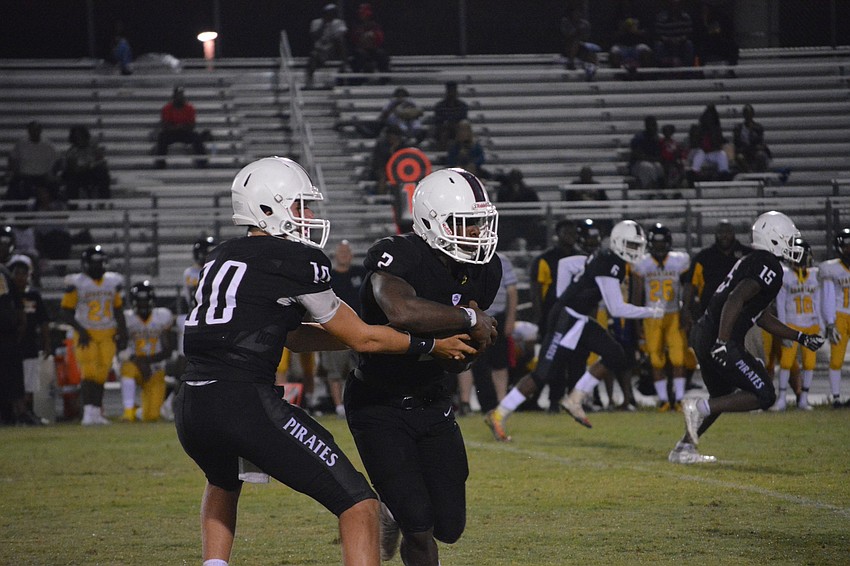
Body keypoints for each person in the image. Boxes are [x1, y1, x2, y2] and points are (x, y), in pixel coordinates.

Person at [174, 157, 476, 566]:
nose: (309, 215)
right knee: (360, 504)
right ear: (268, 207)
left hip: (191, 405)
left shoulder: (220, 256)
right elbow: (363, 338)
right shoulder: (296, 260)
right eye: (300, 206)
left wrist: (369, 335)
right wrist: (429, 346)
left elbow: (295, 337)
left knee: (223, 481)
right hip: (243, 402)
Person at [345, 167, 500, 565]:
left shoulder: (486, 268)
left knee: (449, 526)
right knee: (419, 525)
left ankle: (392, 508)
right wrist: (468, 321)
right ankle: (400, 510)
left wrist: (471, 348)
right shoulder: (399, 254)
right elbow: (401, 311)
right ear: (431, 222)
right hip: (378, 403)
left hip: (433, 402)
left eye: (481, 223)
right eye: (465, 224)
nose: (476, 234)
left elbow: (460, 362)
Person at [668, 211, 825, 464]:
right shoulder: (769, 265)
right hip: (718, 336)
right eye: (787, 237)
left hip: (705, 331)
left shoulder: (755, 261)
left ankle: (683, 448)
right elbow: (736, 298)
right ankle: (697, 408)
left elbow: (759, 315)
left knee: (722, 396)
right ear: (773, 238)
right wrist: (722, 342)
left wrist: (800, 337)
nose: (792, 243)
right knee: (765, 395)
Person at [485, 220, 664, 440]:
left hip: (577, 318)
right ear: (619, 242)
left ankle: (575, 398)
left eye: (638, 245)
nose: (636, 250)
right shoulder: (611, 263)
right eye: (632, 245)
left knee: (615, 354)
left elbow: (567, 265)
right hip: (566, 319)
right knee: (542, 374)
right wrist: (651, 311)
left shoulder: (606, 257)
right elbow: (616, 308)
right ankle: (498, 414)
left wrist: (565, 295)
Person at [59, 245, 128, 425]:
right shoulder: (76, 282)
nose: (98, 267)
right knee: (88, 373)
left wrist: (123, 332)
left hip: (108, 332)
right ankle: (88, 412)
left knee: (101, 374)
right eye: (95, 263)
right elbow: (66, 311)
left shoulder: (112, 281)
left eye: (101, 263)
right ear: (85, 264)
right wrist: (80, 330)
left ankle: (97, 412)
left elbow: (118, 309)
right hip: (86, 332)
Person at [632, 223, 691, 411]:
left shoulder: (679, 260)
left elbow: (687, 288)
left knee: (678, 359)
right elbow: (637, 293)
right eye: (655, 243)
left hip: (674, 313)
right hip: (651, 315)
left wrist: (686, 311)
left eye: (661, 243)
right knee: (656, 360)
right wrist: (636, 319)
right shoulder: (642, 263)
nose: (658, 247)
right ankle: (665, 400)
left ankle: (679, 399)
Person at [467, 252, 518, 414]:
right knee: (474, 363)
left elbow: (511, 291)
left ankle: (502, 404)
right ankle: (477, 404)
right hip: (473, 316)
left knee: (499, 362)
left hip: (497, 316)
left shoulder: (502, 259)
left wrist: (510, 319)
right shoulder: (464, 257)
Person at [773, 238, 821, 411]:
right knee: (786, 363)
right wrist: (784, 328)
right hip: (792, 325)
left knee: (809, 364)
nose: (799, 259)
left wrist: (821, 324)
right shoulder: (785, 274)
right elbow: (781, 303)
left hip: (811, 325)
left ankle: (803, 399)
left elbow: (818, 300)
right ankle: (782, 399)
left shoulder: (815, 275)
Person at [321, 240, 367, 418]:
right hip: (336, 329)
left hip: (360, 328)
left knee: (358, 370)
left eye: (347, 252)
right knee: (335, 370)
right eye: (341, 252)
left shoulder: (360, 273)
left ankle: (356, 402)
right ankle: (339, 406)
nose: (344, 255)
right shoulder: (329, 277)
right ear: (335, 255)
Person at [681, 219, 752, 333]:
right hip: (710, 313)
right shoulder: (703, 257)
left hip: (742, 313)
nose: (724, 236)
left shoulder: (748, 255)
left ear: (733, 233)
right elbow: (690, 284)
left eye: (728, 232)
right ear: (715, 234)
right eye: (721, 232)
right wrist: (685, 308)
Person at [118, 281, 174, 422]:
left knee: (151, 416)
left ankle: (138, 411)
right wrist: (139, 362)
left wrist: (145, 362)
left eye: (145, 301)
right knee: (127, 369)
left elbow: (168, 350)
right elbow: (120, 346)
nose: (143, 305)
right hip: (134, 363)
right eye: (140, 302)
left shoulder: (162, 316)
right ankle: (128, 412)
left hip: (155, 367)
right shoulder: (127, 318)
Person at [7, 254, 50, 425]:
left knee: (30, 383)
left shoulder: (33, 295)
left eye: (23, 273)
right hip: (11, 345)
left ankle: (27, 413)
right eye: (16, 273)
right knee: (12, 382)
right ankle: (14, 415)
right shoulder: (6, 296)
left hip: (29, 345)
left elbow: (43, 321)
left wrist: (46, 343)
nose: (19, 277)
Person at [818, 227, 850, 407]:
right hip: (840, 315)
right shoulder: (831, 268)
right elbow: (828, 296)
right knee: (836, 359)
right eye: (846, 246)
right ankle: (836, 398)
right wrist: (830, 323)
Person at [0, 227, 26, 426]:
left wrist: (20, 323)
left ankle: (16, 415)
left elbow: (16, 303)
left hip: (7, 333)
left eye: (6, 245)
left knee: (12, 377)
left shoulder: (4, 272)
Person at [6, 121, 61, 202]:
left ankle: (52, 207)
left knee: (54, 184)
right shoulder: (21, 143)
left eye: (36, 130)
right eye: (32, 130)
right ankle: (16, 209)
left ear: (40, 131)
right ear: (28, 131)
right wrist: (14, 171)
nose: (34, 132)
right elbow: (12, 158)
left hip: (43, 176)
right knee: (14, 185)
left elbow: (58, 160)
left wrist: (52, 173)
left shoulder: (48, 145)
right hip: (25, 175)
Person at [155, 86, 207, 168]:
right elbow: (165, 125)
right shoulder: (167, 108)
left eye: (181, 95)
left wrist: (181, 127)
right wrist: (176, 127)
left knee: (196, 137)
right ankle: (160, 164)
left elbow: (192, 125)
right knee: (162, 137)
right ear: (174, 97)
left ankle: (203, 163)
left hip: (184, 133)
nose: (180, 97)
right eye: (178, 95)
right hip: (171, 133)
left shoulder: (190, 108)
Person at [305, 3, 348, 89]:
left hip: (333, 50)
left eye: (332, 13)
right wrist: (323, 25)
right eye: (328, 13)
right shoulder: (316, 22)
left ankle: (344, 70)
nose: (330, 15)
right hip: (320, 50)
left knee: (339, 42)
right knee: (313, 55)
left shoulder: (339, 23)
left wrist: (332, 31)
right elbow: (313, 36)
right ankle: (309, 81)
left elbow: (340, 35)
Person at [63, 124, 111, 200]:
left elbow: (101, 161)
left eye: (81, 136)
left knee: (103, 172)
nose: (79, 139)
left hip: (94, 173)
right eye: (76, 137)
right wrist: (88, 166)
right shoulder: (71, 152)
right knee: (71, 179)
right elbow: (75, 169)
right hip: (80, 176)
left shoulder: (93, 147)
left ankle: (105, 201)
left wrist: (92, 165)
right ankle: (73, 206)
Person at [689, 104, 730, 183]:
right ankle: (694, 173)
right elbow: (695, 143)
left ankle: (724, 174)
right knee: (699, 154)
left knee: (722, 154)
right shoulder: (699, 129)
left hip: (713, 153)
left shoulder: (717, 130)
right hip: (703, 153)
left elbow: (719, 144)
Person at [348, 3, 390, 79]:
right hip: (360, 50)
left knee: (382, 54)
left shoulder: (374, 25)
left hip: (372, 49)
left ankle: (384, 78)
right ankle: (357, 78)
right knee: (361, 55)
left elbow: (380, 39)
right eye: (362, 14)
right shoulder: (356, 25)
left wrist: (372, 36)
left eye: (366, 15)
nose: (364, 16)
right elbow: (354, 39)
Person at [560, 3, 600, 80]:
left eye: (579, 12)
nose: (577, 14)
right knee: (575, 42)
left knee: (592, 54)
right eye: (576, 12)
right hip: (568, 47)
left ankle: (591, 71)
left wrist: (581, 34)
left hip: (581, 47)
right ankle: (570, 62)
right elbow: (567, 35)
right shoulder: (566, 22)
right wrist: (577, 31)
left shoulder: (585, 23)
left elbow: (586, 36)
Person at [653, 0, 695, 67]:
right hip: (666, 45)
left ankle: (687, 71)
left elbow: (688, 34)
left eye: (677, 4)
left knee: (689, 44)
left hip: (681, 44)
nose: (675, 7)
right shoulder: (661, 18)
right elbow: (659, 34)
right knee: (659, 45)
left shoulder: (686, 17)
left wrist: (679, 39)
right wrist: (669, 40)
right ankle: (661, 70)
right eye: (673, 4)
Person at [732, 104, 772, 173]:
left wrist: (752, 131)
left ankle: (760, 174)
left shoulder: (758, 127)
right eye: (746, 114)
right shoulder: (738, 128)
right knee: (739, 157)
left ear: (753, 114)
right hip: (744, 151)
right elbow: (737, 143)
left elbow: (759, 141)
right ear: (744, 115)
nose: (748, 116)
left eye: (750, 114)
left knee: (761, 155)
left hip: (754, 151)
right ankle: (750, 173)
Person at [629, 116, 665, 190]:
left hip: (654, 162)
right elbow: (637, 155)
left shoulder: (659, 138)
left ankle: (660, 189)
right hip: (638, 165)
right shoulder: (639, 138)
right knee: (647, 166)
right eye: (652, 125)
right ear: (646, 126)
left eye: (655, 125)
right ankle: (648, 189)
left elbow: (662, 155)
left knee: (658, 166)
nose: (654, 128)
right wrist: (652, 159)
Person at [431, 81, 469, 151]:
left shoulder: (462, 106)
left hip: (457, 128)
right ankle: (443, 153)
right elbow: (438, 120)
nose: (452, 94)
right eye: (450, 91)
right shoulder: (440, 106)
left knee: (462, 130)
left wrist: (453, 123)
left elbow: (463, 119)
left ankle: (462, 152)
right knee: (444, 133)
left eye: (453, 91)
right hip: (444, 129)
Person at [660, 124, 686, 189]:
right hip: (665, 163)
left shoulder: (675, 143)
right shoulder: (661, 143)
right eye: (666, 131)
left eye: (669, 131)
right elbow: (662, 154)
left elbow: (680, 153)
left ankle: (677, 186)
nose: (667, 133)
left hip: (674, 163)